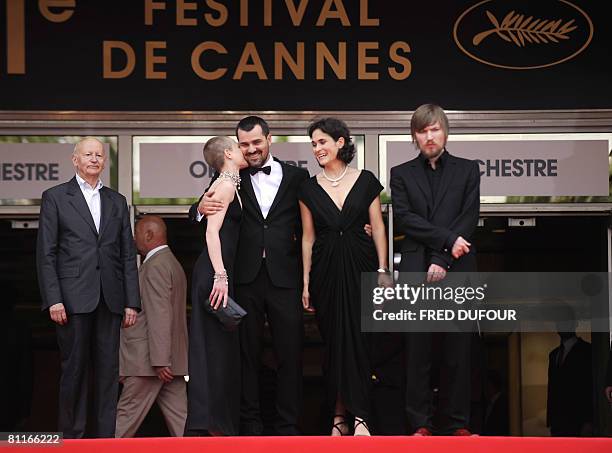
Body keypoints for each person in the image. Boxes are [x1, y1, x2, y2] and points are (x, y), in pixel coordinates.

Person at [190, 116, 309, 435]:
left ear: (270, 139)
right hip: (244, 277)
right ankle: (250, 426)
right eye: (244, 144)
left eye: (257, 142)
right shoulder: (227, 176)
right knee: (245, 355)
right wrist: (200, 207)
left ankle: (288, 426)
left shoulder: (298, 176)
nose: (251, 149)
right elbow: (201, 213)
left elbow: (312, 221)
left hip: (286, 277)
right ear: (236, 145)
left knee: (290, 353)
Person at [36, 137, 140, 438]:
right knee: (75, 372)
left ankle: (105, 440)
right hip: (70, 300)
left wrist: (131, 301)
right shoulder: (55, 197)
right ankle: (73, 439)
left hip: (110, 299)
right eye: (88, 154)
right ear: (75, 160)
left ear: (104, 161)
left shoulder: (117, 201)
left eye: (99, 155)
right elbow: (47, 254)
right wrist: (53, 299)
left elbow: (126, 253)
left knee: (109, 374)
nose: (94, 159)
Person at [390, 104, 480, 436]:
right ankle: (420, 423)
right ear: (414, 136)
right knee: (418, 350)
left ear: (445, 131)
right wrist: (446, 242)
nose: (429, 136)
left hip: (457, 268)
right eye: (422, 131)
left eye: (434, 129)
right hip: (416, 270)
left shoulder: (469, 170)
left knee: (458, 349)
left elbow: (468, 217)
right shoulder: (400, 173)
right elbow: (406, 218)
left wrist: (442, 259)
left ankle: (458, 423)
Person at [299, 117, 391, 436]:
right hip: (326, 271)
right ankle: (339, 415)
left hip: (361, 265)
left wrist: (382, 270)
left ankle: (361, 416)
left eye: (322, 142)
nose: (317, 149)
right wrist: (307, 283)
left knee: (362, 342)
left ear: (340, 142)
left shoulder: (366, 180)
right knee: (334, 343)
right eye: (313, 144)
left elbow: (378, 226)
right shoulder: (308, 188)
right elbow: (308, 237)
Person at [185, 136, 248, 436]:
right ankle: (210, 427)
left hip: (219, 273)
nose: (244, 151)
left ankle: (217, 425)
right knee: (213, 351)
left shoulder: (231, 184)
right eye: (239, 147)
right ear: (228, 153)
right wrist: (220, 276)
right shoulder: (223, 186)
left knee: (220, 350)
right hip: (213, 275)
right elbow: (212, 233)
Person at [116, 215, 188, 437]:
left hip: (149, 364)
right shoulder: (172, 264)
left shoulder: (155, 266)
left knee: (124, 421)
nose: (133, 239)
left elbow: (159, 315)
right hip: (170, 362)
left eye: (136, 233)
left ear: (148, 234)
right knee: (183, 423)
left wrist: (159, 360)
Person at [546, 321, 593, 437]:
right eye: (559, 321)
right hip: (558, 422)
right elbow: (552, 389)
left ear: (574, 323)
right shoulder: (554, 354)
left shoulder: (587, 351)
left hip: (579, 420)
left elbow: (589, 387)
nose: (561, 324)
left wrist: (589, 421)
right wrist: (551, 421)